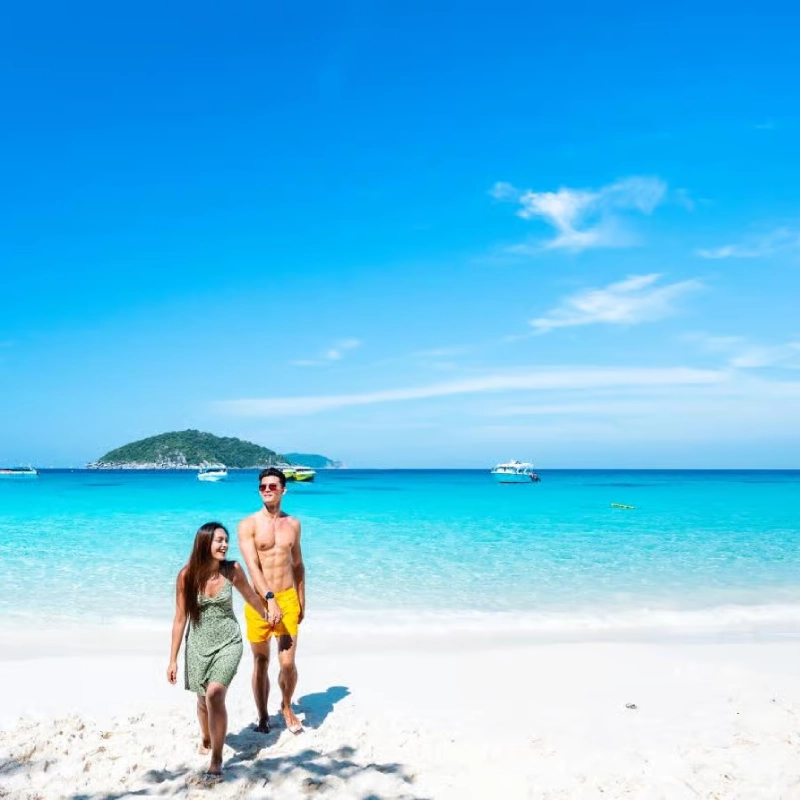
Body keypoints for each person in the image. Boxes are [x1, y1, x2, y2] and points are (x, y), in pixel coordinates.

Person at [167, 521, 267, 779]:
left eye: (226, 540)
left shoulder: (232, 570)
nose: (225, 545)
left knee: (214, 694)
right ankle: (206, 737)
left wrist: (267, 616)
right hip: (198, 646)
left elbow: (250, 596)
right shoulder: (186, 576)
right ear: (204, 543)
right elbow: (180, 619)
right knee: (202, 701)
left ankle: (217, 758)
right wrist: (173, 659)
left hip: (228, 643)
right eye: (219, 540)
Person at [238, 467, 306, 734]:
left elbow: (298, 564)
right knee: (261, 661)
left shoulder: (293, 524)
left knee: (287, 663)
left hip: (287, 598)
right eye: (263, 486)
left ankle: (286, 706)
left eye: (272, 486)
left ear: (283, 490)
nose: (267, 490)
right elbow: (252, 567)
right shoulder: (249, 525)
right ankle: (263, 715)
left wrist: (301, 599)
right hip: (258, 602)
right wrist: (269, 599)